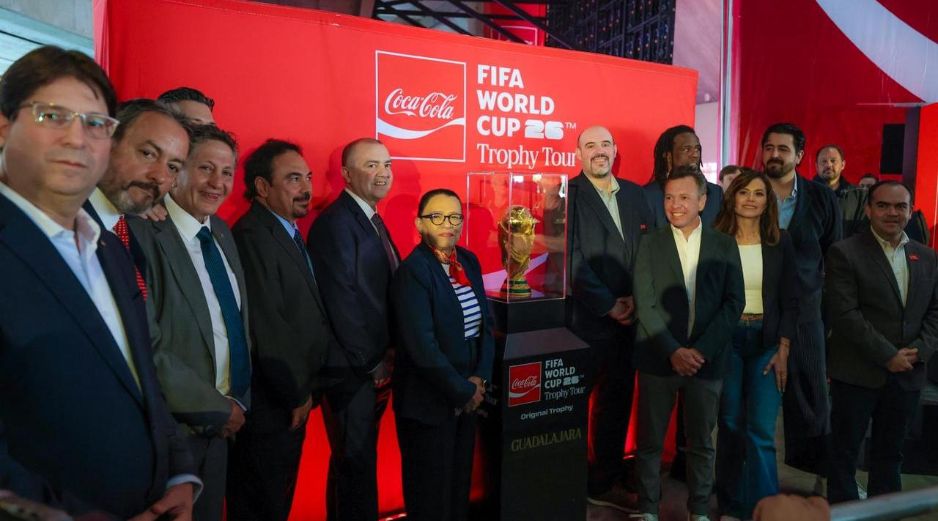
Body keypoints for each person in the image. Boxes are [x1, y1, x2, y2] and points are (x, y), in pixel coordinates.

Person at [0, 45, 196, 518]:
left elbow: (140, 378)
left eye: (95, 124)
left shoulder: (108, 248)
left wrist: (178, 475)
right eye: (52, 116)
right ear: (4, 126)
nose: (77, 138)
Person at [130, 125, 250, 521]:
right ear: (178, 171)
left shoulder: (222, 232)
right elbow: (145, 345)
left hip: (224, 426)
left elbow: (234, 323)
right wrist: (214, 408)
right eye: (205, 168)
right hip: (171, 433)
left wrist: (235, 402)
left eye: (227, 172)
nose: (218, 183)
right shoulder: (141, 232)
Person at [227, 139, 335, 521]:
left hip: (290, 399)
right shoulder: (253, 235)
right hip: (273, 405)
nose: (306, 188)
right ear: (262, 187)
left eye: (307, 177)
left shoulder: (284, 229)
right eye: (293, 179)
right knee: (262, 504)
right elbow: (267, 325)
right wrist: (296, 393)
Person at [632, 165, 745, 521]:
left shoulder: (723, 244)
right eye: (669, 197)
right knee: (649, 443)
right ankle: (647, 510)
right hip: (657, 358)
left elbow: (734, 303)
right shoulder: (650, 243)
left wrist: (700, 352)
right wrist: (673, 351)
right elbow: (645, 303)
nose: (675, 205)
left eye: (684, 197)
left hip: (706, 362)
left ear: (702, 201)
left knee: (701, 443)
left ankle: (699, 511)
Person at [825, 181, 938, 503]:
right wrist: (888, 355)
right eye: (883, 205)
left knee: (891, 454)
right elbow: (845, 314)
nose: (892, 213)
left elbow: (935, 310)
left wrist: (920, 350)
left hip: (908, 374)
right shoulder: (844, 252)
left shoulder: (927, 256)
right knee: (844, 452)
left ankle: (884, 511)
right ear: (869, 210)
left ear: (911, 211)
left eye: (900, 206)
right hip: (857, 372)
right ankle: (844, 511)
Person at [307, 137, 399, 521]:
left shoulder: (371, 218)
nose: (383, 173)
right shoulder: (336, 223)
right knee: (354, 465)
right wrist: (371, 363)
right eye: (371, 165)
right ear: (346, 173)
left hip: (374, 367)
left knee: (358, 464)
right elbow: (340, 301)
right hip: (352, 371)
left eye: (386, 164)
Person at [391, 189, 494, 521]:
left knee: (458, 489)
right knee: (431, 497)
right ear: (420, 224)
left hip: (468, 398)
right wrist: (463, 391)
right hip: (429, 404)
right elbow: (422, 348)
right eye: (436, 217)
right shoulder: (414, 271)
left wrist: (480, 379)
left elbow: (485, 326)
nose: (447, 224)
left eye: (454, 217)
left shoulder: (469, 261)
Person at [567, 125, 652, 511]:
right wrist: (609, 304)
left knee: (616, 405)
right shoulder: (566, 193)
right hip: (586, 323)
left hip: (630, 321)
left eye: (605, 144)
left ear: (615, 150)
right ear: (579, 154)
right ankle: (568, 484)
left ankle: (603, 483)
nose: (599, 151)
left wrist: (637, 297)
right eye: (590, 145)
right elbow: (570, 258)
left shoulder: (635, 193)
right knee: (573, 406)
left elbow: (649, 247)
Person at [713, 170, 798, 519]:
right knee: (730, 425)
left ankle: (765, 509)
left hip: (768, 343)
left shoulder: (781, 241)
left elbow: (792, 298)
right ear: (732, 197)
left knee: (761, 430)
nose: (751, 199)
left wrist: (784, 348)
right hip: (727, 341)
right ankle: (731, 506)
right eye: (744, 192)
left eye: (759, 193)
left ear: (768, 202)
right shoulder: (715, 239)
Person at [761, 123, 841, 484]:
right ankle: (749, 482)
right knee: (751, 399)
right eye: (769, 148)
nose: (774, 154)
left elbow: (834, 255)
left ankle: (819, 480)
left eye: (783, 149)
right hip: (756, 310)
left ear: (800, 155)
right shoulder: (749, 192)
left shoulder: (821, 198)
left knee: (812, 397)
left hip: (807, 312)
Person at [86, 98, 191, 283]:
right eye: (148, 153)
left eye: (172, 167)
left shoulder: (127, 236)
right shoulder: (57, 222)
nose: (160, 176)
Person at [643, 125, 723, 228]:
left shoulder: (715, 193)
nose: (695, 155)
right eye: (686, 149)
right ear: (668, 155)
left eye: (697, 149)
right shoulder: (648, 195)